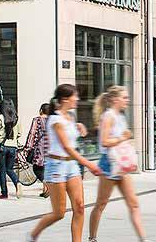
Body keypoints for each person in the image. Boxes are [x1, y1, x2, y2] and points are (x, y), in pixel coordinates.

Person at [25, 84, 102, 242]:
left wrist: (78, 127)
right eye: (75, 96)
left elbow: (71, 137)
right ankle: (33, 234)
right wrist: (89, 164)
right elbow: (66, 146)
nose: (77, 99)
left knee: (79, 207)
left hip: (72, 166)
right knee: (59, 213)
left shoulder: (70, 117)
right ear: (65, 99)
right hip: (56, 166)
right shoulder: (54, 119)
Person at [88, 86, 150, 242]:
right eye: (125, 97)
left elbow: (120, 138)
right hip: (109, 164)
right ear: (115, 99)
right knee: (101, 204)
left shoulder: (120, 116)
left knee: (134, 204)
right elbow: (104, 142)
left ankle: (143, 239)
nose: (127, 100)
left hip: (121, 165)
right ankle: (92, 238)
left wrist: (125, 137)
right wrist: (123, 138)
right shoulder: (108, 116)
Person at [25, 103, 50, 197]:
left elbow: (32, 133)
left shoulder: (37, 120)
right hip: (50, 149)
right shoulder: (51, 121)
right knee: (45, 169)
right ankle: (45, 191)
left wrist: (28, 146)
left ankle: (48, 186)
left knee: (37, 168)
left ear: (41, 110)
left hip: (40, 148)